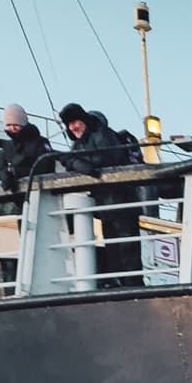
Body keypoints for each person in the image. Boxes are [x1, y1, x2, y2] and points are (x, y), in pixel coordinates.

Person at [57, 102, 144, 286]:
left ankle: (132, 285)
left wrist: (77, 163)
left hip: (122, 200)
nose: (73, 127)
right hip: (105, 205)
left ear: (83, 120)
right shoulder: (80, 144)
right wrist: (77, 164)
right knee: (113, 248)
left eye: (75, 121)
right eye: (69, 124)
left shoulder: (102, 134)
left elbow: (107, 159)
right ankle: (119, 284)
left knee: (127, 247)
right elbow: (80, 163)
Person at [0, 102, 51, 186]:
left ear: (23, 124)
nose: (12, 128)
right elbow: (2, 168)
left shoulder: (40, 143)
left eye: (15, 125)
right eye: (9, 125)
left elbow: (45, 168)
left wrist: (17, 172)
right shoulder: (8, 147)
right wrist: (3, 175)